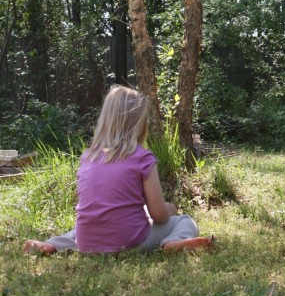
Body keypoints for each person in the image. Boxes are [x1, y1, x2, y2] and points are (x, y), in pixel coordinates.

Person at [23, 85, 214, 255]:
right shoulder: (143, 158)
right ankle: (174, 242)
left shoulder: (87, 157)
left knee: (76, 232)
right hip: (129, 241)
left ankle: (49, 244)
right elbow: (159, 214)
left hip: (88, 241)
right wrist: (169, 209)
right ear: (140, 125)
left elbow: (109, 205)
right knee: (185, 221)